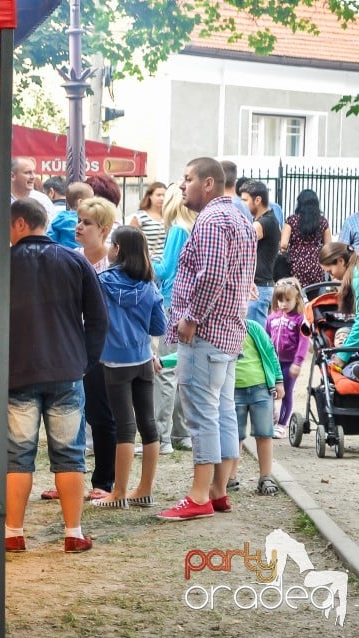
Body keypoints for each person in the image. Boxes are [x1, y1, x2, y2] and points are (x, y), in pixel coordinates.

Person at [0, 197, 107, 552]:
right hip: (66, 370)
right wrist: (85, 361)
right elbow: (98, 319)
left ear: (19, 224)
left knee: (18, 455)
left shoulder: (3, 263)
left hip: (16, 372)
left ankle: (13, 532)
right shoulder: (74, 261)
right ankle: (73, 533)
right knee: (70, 454)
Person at [157, 157, 256, 522]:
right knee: (222, 411)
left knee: (202, 415)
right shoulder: (240, 216)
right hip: (228, 333)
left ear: (209, 183)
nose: (182, 186)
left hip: (207, 332)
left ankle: (200, 495)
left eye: (187, 179)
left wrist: (190, 318)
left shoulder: (213, 219)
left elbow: (212, 274)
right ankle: (218, 490)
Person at [92, 226, 167, 510]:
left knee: (124, 427)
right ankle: (144, 489)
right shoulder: (149, 285)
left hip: (114, 362)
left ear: (118, 249)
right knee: (148, 424)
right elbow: (159, 326)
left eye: (112, 244)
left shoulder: (103, 282)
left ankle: (119, 492)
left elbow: (93, 318)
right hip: (143, 360)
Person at [69, 196, 117, 499]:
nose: (79, 227)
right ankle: (69, 476)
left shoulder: (113, 264)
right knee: (70, 413)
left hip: (104, 347)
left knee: (101, 414)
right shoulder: (72, 257)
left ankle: (103, 482)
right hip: (71, 344)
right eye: (79, 220)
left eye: (87, 222)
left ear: (104, 229)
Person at [151, 189, 198, 452]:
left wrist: (144, 261)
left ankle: (161, 436)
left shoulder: (178, 230)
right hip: (189, 304)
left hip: (173, 301)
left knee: (165, 370)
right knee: (183, 369)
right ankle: (182, 434)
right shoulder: (193, 227)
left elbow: (165, 269)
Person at [227, 320, 284, 496]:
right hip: (233, 389)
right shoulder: (219, 328)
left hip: (260, 388)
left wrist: (279, 380)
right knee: (234, 435)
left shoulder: (253, 328)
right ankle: (229, 477)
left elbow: (270, 352)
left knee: (264, 434)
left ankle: (266, 477)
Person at [265, 279, 309, 440]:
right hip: (273, 363)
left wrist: (298, 362)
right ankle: (272, 416)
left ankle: (282, 425)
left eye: (287, 300)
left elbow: (304, 341)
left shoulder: (300, 320)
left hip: (290, 363)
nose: (283, 304)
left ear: (296, 299)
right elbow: (266, 338)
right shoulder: (271, 318)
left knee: (286, 393)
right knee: (269, 390)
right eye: (280, 300)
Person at [239, 179, 281, 329]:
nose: (241, 203)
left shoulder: (263, 223)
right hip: (259, 288)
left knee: (255, 340)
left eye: (244, 200)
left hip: (258, 289)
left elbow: (239, 240)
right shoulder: (268, 220)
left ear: (258, 200)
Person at [0, 157, 55, 232]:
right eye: (27, 172)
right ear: (12, 176)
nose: (33, 177)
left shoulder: (43, 201)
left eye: (34, 172)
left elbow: (49, 232)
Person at [318, 243, 359, 372]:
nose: (332, 277)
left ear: (341, 261)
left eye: (330, 271)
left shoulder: (356, 279)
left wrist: (342, 355)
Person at [281, 189, 332, 288]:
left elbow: (283, 244)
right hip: (316, 265)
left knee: (296, 296)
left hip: (295, 265)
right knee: (314, 298)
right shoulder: (322, 222)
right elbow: (328, 246)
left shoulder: (292, 220)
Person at [46, 181, 92, 249]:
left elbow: (50, 238)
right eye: (91, 200)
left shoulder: (60, 218)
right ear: (81, 202)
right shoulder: (90, 221)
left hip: (63, 255)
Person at [129, 181, 167, 258]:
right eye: (158, 195)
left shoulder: (168, 217)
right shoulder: (140, 217)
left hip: (164, 264)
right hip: (147, 262)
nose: (162, 198)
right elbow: (131, 241)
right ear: (150, 196)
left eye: (164, 195)